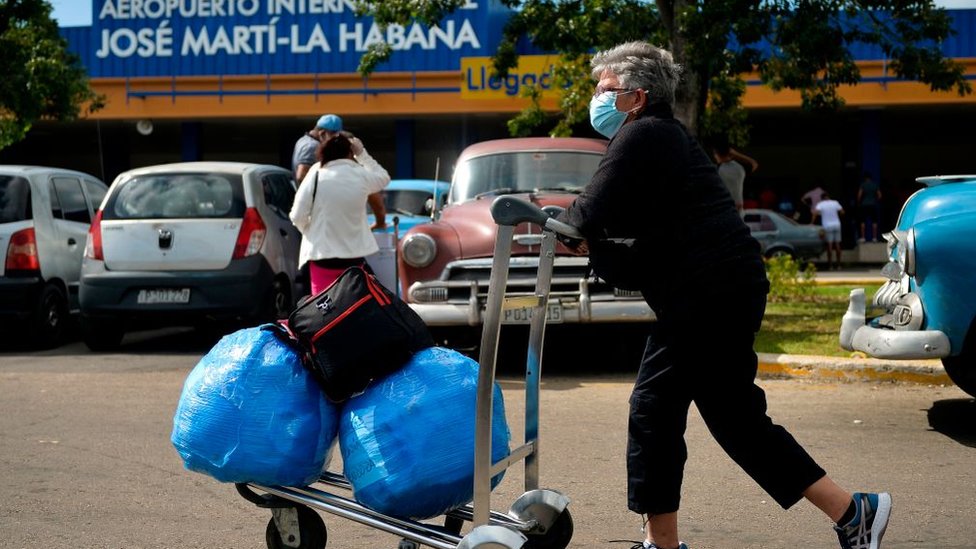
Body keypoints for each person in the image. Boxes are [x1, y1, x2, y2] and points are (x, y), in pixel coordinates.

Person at [558, 41, 891, 549]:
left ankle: (662, 544)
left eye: (604, 90)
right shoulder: (663, 137)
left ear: (636, 97)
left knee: (653, 408)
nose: (596, 99)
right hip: (724, 290)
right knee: (736, 420)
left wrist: (572, 229)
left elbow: (590, 208)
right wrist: (589, 234)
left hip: (707, 296)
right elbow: (633, 225)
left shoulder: (642, 134)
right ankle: (853, 511)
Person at [289, 133, 391, 294]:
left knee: (323, 309)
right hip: (354, 256)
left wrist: (309, 231)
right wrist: (362, 154)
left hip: (321, 255)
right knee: (352, 308)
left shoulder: (316, 172)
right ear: (350, 153)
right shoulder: (360, 174)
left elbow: (296, 215)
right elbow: (384, 178)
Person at [291, 114, 387, 230]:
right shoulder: (312, 148)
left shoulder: (304, 143)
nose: (334, 140)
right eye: (333, 135)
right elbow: (301, 175)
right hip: (328, 218)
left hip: (318, 222)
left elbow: (297, 217)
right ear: (322, 133)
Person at [712, 139, 759, 212]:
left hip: (723, 207)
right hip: (738, 207)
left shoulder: (717, 169)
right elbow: (754, 163)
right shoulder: (740, 168)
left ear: (717, 154)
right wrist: (736, 154)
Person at [813, 191, 845, 270]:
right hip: (837, 225)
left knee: (830, 245)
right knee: (837, 244)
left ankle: (830, 265)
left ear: (822, 198)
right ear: (828, 196)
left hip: (827, 226)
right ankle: (838, 265)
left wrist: (812, 222)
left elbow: (815, 213)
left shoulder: (821, 204)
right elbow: (842, 212)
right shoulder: (835, 202)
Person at [857, 172, 882, 242]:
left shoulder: (863, 185)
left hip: (864, 205)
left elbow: (859, 195)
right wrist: (875, 200)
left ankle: (863, 237)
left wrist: (859, 202)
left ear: (865, 178)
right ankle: (874, 238)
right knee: (874, 222)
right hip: (873, 205)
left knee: (863, 222)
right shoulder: (874, 185)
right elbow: (880, 195)